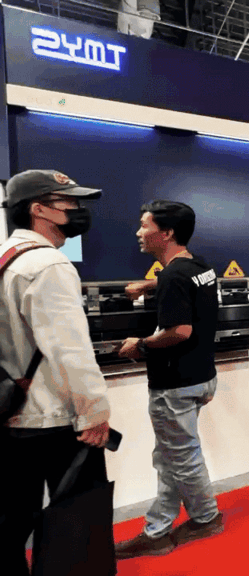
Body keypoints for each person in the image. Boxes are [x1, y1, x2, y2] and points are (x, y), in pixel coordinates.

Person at [0, 170, 112, 576]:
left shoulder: (5, 257)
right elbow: (70, 351)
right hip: (55, 421)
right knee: (78, 528)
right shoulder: (48, 264)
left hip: (10, 413)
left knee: (12, 524)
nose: (78, 211)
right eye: (70, 203)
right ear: (39, 209)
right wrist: (94, 412)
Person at [115, 200, 223, 559]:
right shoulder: (199, 266)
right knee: (169, 457)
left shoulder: (175, 276)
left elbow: (179, 330)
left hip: (175, 383)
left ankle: (206, 517)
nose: (138, 232)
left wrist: (141, 345)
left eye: (145, 225)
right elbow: (182, 282)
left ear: (167, 233)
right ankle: (157, 530)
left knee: (183, 457)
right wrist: (149, 286)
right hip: (201, 376)